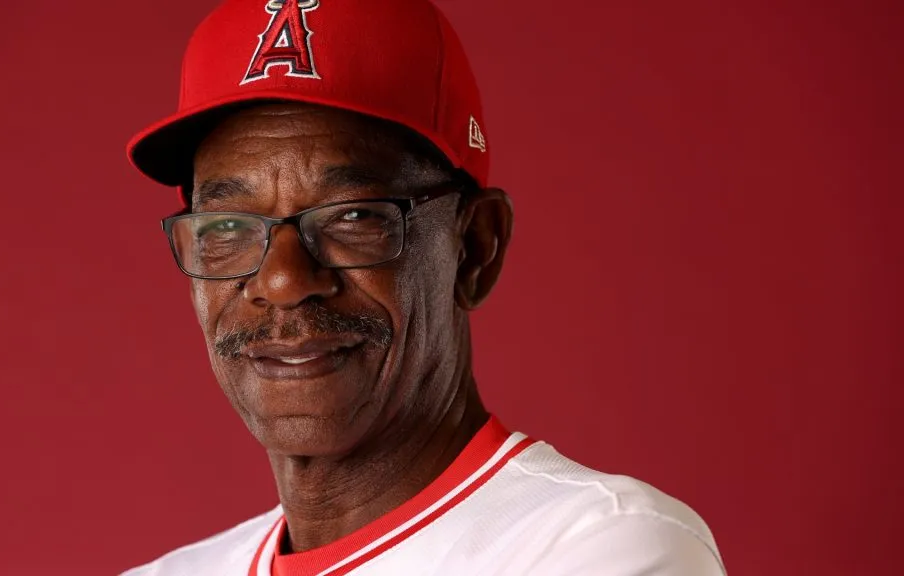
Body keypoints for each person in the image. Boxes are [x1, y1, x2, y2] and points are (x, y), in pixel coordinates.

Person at [122, 1, 725, 574]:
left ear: (475, 250)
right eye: (228, 227)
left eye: (352, 216)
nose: (282, 280)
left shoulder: (603, 545)